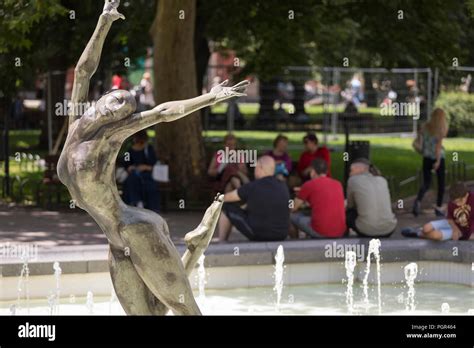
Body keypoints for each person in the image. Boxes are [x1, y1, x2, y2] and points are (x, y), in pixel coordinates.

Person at [58, 0, 250, 316]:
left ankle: (196, 245)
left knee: (184, 307)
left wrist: (211, 97)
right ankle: (196, 245)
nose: (115, 109)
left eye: (124, 110)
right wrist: (104, 21)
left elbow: (162, 113)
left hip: (135, 227)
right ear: (104, 96)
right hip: (116, 240)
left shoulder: (111, 136)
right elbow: (83, 71)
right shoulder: (75, 126)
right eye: (116, 101)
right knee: (150, 314)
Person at [217, 156, 290, 242]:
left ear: (260, 167)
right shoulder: (283, 186)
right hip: (281, 235)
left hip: (259, 234)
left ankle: (221, 241)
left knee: (226, 207)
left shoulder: (253, 186)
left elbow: (226, 198)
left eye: (255, 167)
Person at [290, 159, 346, 238]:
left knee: (290, 216)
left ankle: (294, 244)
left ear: (312, 171)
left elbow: (293, 208)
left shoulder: (309, 184)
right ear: (326, 171)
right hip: (340, 232)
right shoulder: (338, 184)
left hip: (321, 232)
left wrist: (292, 198)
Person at [402, 182, 473, 241]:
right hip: (452, 223)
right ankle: (421, 230)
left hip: (464, 230)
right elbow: (449, 218)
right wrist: (455, 229)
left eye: (459, 201)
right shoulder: (453, 201)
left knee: (435, 236)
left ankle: (418, 234)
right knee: (426, 228)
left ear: (466, 195)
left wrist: (465, 235)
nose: (457, 204)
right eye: (455, 202)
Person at [346, 158, 397, 238]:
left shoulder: (353, 180)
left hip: (366, 231)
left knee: (349, 213)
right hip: (389, 229)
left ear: (362, 169)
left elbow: (350, 205)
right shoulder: (382, 180)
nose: (350, 173)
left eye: (352, 170)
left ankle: (344, 236)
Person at [412, 108, 449, 217]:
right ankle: (438, 207)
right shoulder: (441, 129)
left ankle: (418, 200)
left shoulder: (425, 126)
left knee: (427, 182)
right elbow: (438, 147)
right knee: (441, 183)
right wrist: (437, 161)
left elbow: (419, 139)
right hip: (438, 158)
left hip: (426, 157)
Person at [122, 130, 160, 212]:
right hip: (133, 174)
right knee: (132, 180)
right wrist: (130, 167)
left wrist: (145, 167)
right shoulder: (130, 151)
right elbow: (126, 165)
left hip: (146, 175)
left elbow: (153, 165)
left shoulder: (148, 149)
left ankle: (146, 205)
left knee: (148, 185)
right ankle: (136, 202)